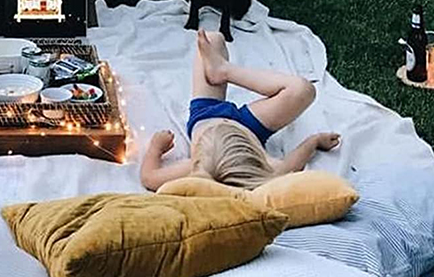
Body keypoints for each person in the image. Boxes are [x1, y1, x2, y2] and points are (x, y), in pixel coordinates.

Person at [140, 28, 340, 191]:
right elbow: (293, 163)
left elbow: (149, 178)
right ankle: (224, 70)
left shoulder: (197, 168)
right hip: (248, 127)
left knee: (213, 39)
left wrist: (156, 147)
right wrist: (315, 141)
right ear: (255, 152)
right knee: (302, 90)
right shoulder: (268, 171)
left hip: (208, 113)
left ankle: (221, 69)